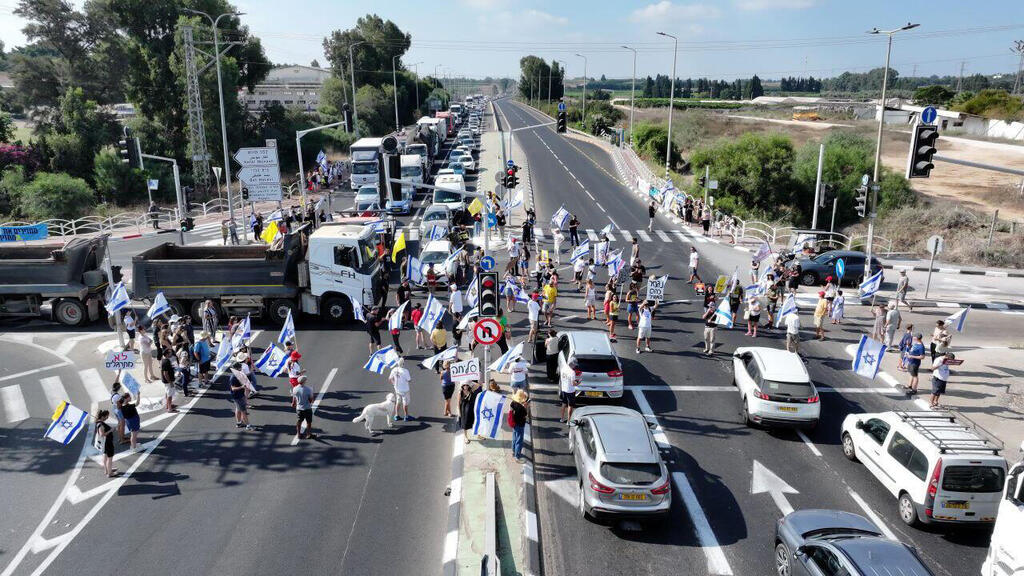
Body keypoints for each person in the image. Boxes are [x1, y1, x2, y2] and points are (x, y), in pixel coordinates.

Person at [94, 409, 118, 477]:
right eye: (106, 416)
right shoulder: (101, 424)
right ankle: (110, 473)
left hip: (104, 443)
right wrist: (111, 430)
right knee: (110, 458)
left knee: (105, 456)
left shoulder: (98, 423)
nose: (107, 418)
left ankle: (107, 470)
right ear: (102, 416)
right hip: (107, 443)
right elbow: (102, 434)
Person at [229, 365, 252, 430]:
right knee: (243, 411)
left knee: (238, 409)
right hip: (237, 396)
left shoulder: (238, 375)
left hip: (240, 394)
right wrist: (242, 387)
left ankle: (239, 423)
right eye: (239, 368)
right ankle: (248, 425)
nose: (241, 369)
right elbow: (233, 388)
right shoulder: (233, 378)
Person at [292, 375, 316, 440]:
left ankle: (299, 434)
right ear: (304, 382)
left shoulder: (295, 388)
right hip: (307, 408)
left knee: (299, 421)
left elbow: (294, 397)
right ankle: (308, 434)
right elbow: (311, 401)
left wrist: (293, 403)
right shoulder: (308, 389)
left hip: (299, 408)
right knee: (309, 422)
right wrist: (312, 395)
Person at [509, 388, 529, 462]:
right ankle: (517, 456)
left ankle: (513, 451)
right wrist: (525, 407)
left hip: (514, 423)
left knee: (514, 437)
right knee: (519, 440)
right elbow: (525, 415)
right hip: (520, 425)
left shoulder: (513, 403)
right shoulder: (521, 408)